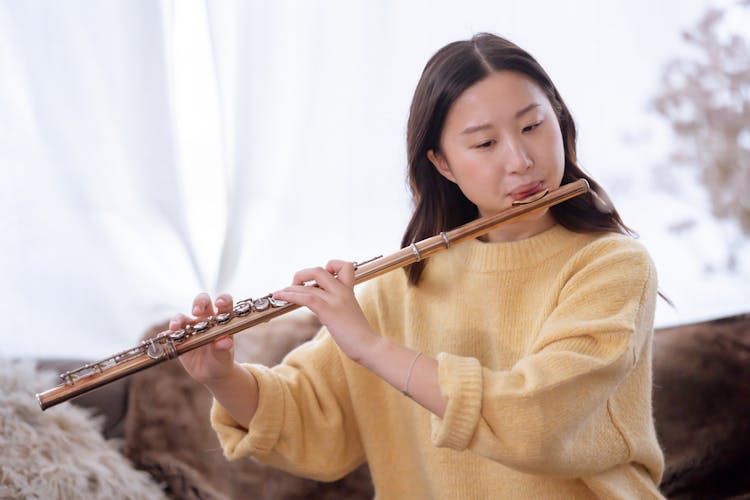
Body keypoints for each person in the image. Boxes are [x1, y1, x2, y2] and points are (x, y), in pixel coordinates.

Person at [171, 33, 665, 498]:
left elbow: (536, 420)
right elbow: (312, 424)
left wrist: (368, 345)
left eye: (533, 127)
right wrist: (221, 374)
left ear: (559, 119)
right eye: (485, 143)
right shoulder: (401, 285)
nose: (519, 160)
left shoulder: (611, 265)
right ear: (443, 164)